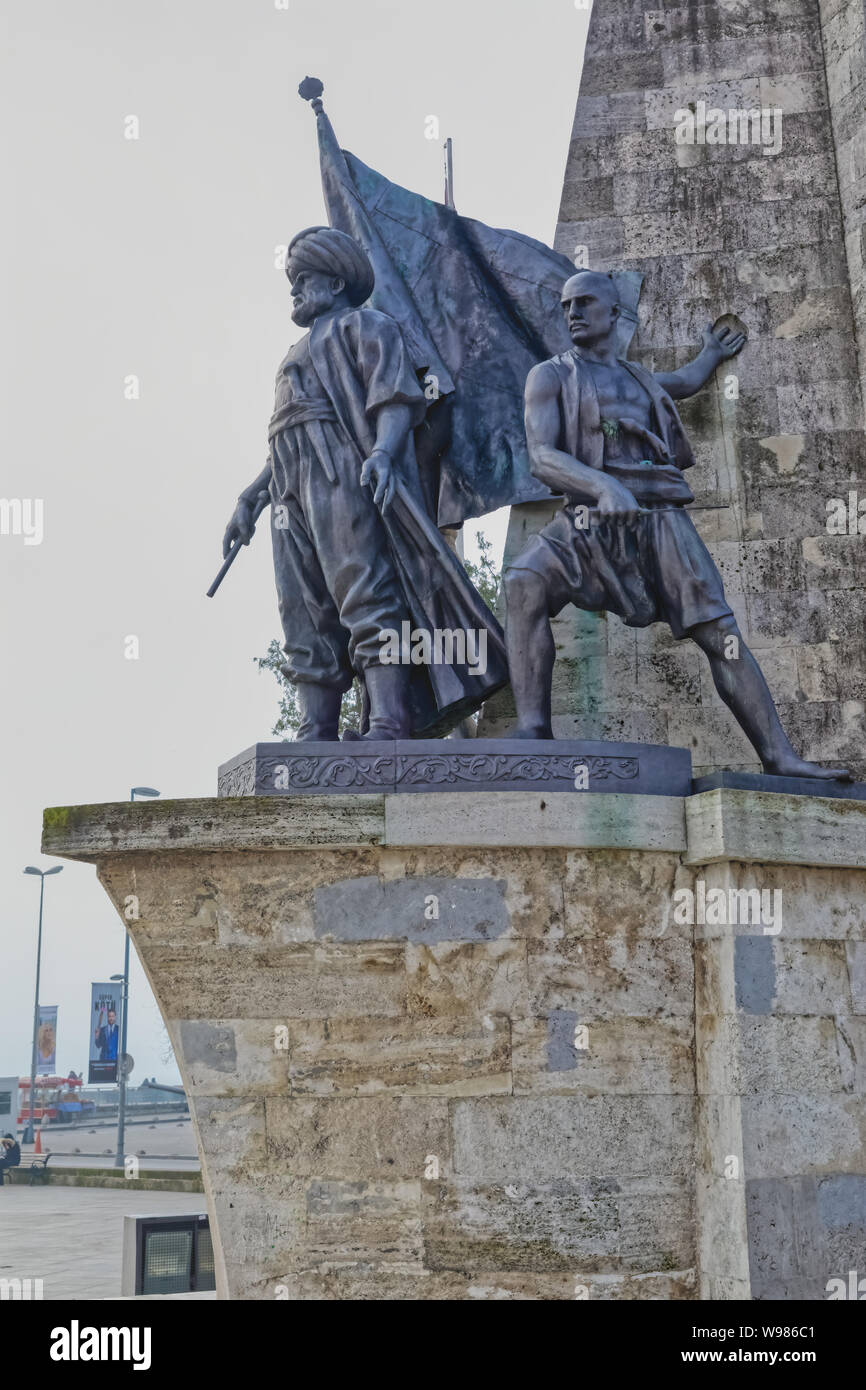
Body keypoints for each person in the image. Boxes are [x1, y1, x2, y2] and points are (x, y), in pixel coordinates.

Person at [504, 269, 849, 780]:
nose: (572, 313)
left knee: (719, 633)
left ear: (614, 314)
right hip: (586, 519)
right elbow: (541, 455)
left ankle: (779, 756)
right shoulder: (550, 375)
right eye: (565, 306)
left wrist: (710, 354)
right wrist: (602, 485)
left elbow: (683, 383)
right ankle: (533, 730)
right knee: (522, 582)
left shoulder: (640, 378)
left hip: (660, 520)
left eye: (583, 303)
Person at [221, 225, 506, 740]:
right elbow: (287, 432)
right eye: (291, 279)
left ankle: (389, 721)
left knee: (363, 586)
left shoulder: (367, 326)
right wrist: (252, 495)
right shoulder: (292, 353)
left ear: (336, 284)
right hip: (291, 489)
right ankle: (317, 727)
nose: (293, 289)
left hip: (344, 472)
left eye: (302, 278)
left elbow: (394, 400)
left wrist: (381, 454)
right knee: (300, 604)